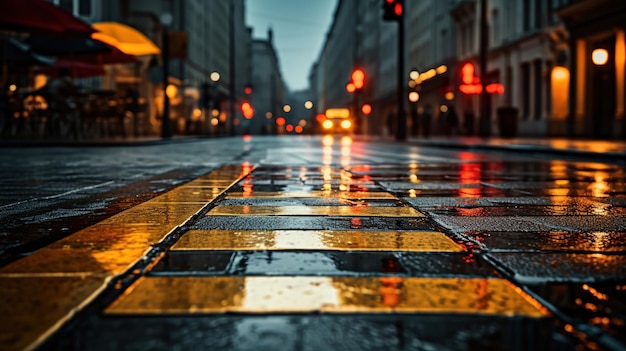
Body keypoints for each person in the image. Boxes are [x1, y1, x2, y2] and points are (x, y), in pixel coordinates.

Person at [46, 68, 80, 139]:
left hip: (53, 105)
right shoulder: (65, 82)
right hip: (62, 105)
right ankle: (74, 134)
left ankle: (59, 133)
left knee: (73, 111)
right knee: (76, 113)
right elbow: (73, 91)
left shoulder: (54, 82)